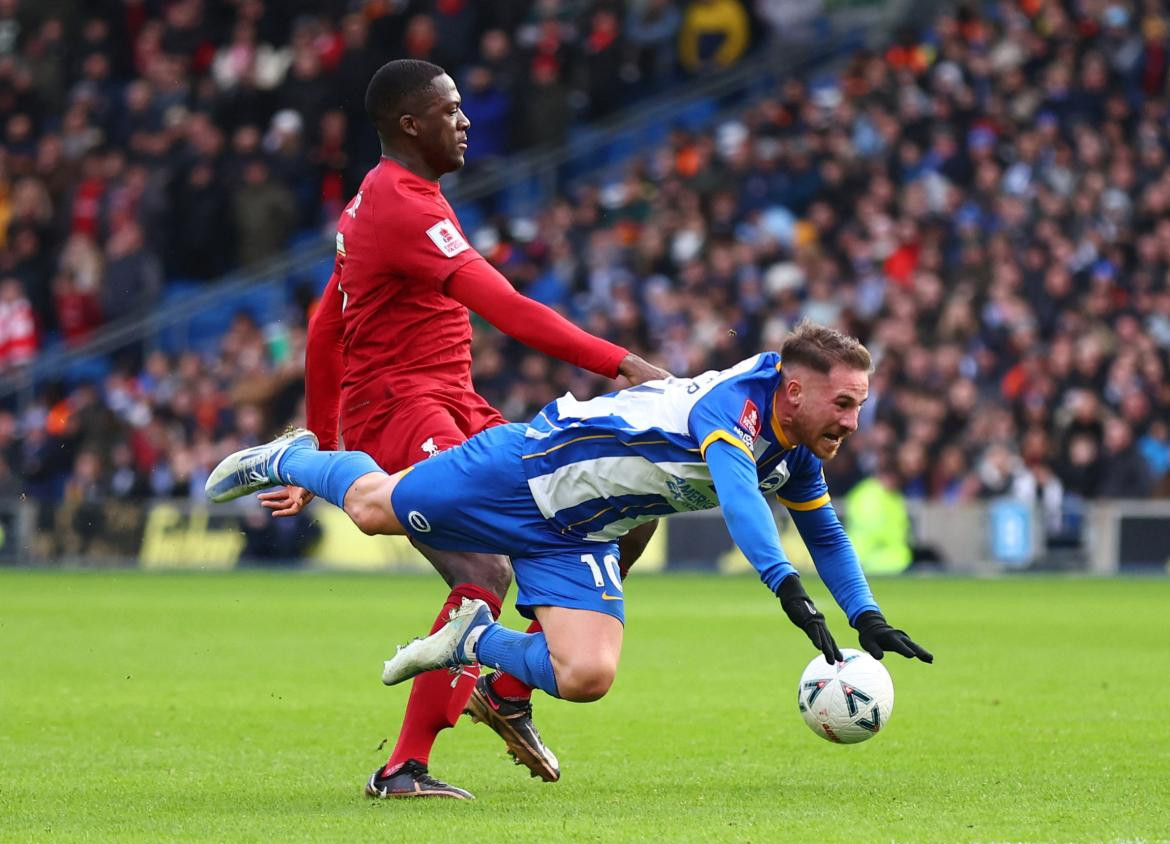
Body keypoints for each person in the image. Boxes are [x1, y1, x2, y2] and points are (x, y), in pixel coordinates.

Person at [208, 323, 932, 774]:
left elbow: (825, 532)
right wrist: (785, 586)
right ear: (796, 390)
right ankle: (293, 456)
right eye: (844, 404)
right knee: (371, 509)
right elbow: (742, 502)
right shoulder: (732, 410)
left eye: (861, 405)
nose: (854, 421)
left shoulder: (796, 445)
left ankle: (473, 643)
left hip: (582, 529)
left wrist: (864, 615)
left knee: (587, 674)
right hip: (525, 472)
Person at [257, 59, 668, 799]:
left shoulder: (387, 200)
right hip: (402, 411)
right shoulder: (402, 206)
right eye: (450, 109)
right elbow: (508, 308)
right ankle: (404, 766)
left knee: (615, 500)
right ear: (411, 124)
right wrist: (623, 364)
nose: (466, 119)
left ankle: (509, 687)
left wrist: (319, 439)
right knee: (483, 572)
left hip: (454, 402)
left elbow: (327, 324)